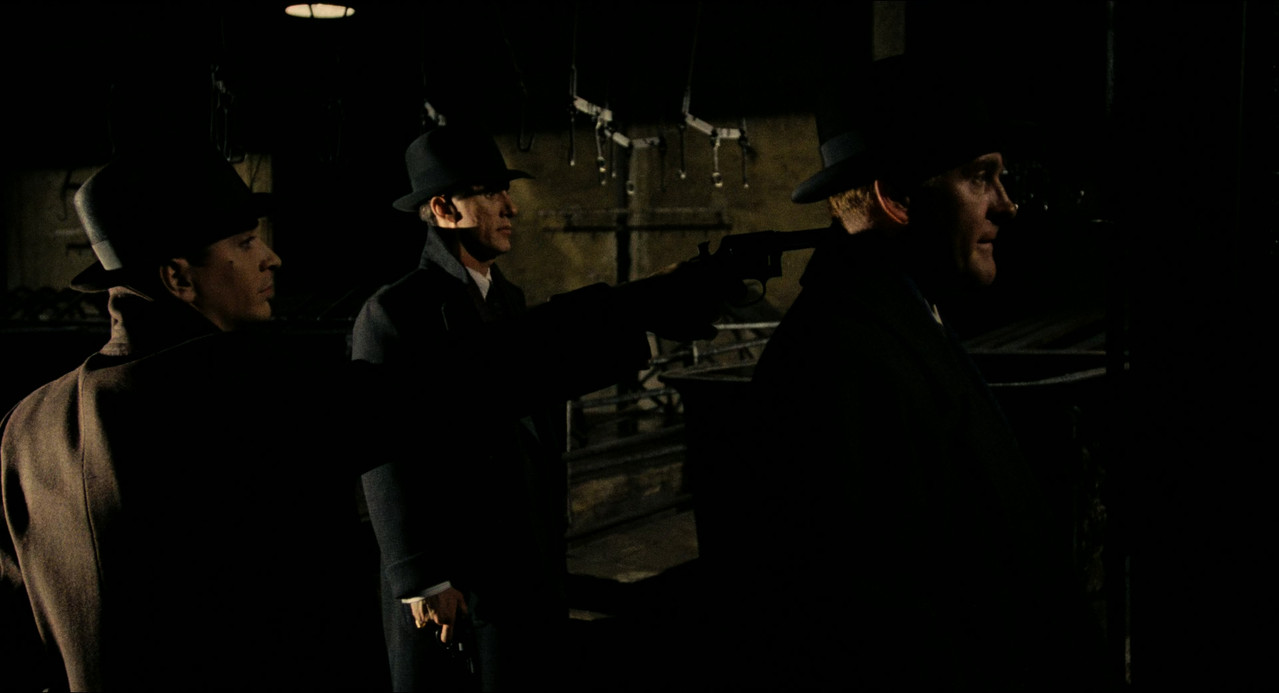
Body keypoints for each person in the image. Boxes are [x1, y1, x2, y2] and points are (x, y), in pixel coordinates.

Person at [0, 141, 728, 691]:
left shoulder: (29, 423)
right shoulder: (223, 389)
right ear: (177, 277)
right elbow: (448, 387)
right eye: (245, 243)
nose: (272, 258)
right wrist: (648, 303)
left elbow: (23, 623)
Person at [715, 54, 1106, 689]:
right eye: (980, 177)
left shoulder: (902, 322)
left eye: (1002, 178)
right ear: (893, 199)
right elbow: (876, 630)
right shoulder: (843, 366)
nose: (1007, 206)